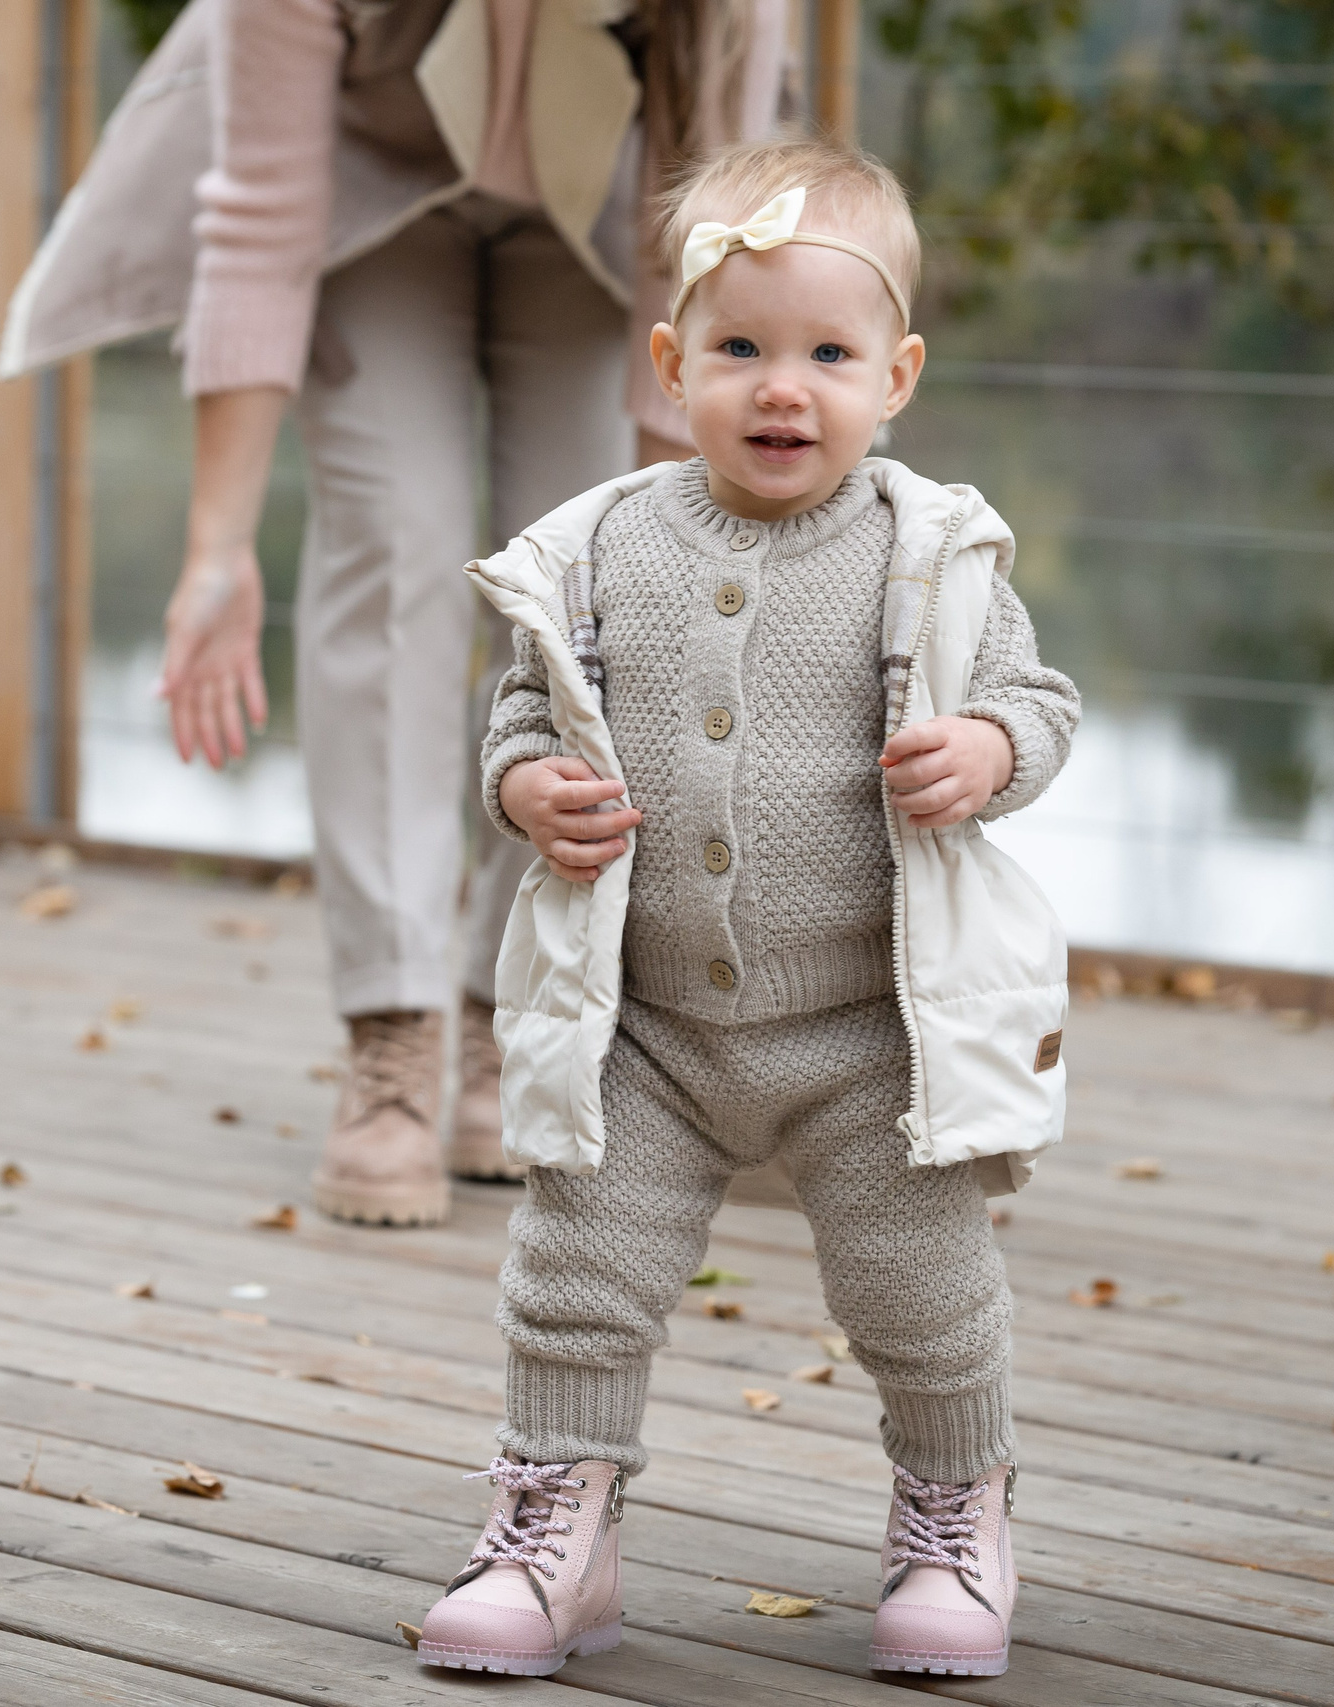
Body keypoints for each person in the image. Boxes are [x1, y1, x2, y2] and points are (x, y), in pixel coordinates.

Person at [410, 137, 1080, 1679]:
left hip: (867, 1026)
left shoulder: (934, 552)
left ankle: (953, 1518)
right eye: (740, 349)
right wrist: (527, 793)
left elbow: (1039, 703)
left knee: (925, 1289)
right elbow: (518, 719)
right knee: (577, 1276)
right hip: (646, 1020)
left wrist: (986, 748)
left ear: (897, 373)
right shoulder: (599, 551)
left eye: (829, 354)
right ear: (671, 363)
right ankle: (557, 1533)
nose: (785, 388)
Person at [1, 0, 793, 1227]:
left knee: (583, 596)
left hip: (599, 213)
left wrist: (669, 554)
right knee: (396, 544)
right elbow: (262, 226)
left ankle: (494, 1021)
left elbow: (701, 244)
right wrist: (217, 550)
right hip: (369, 193)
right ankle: (391, 1034)